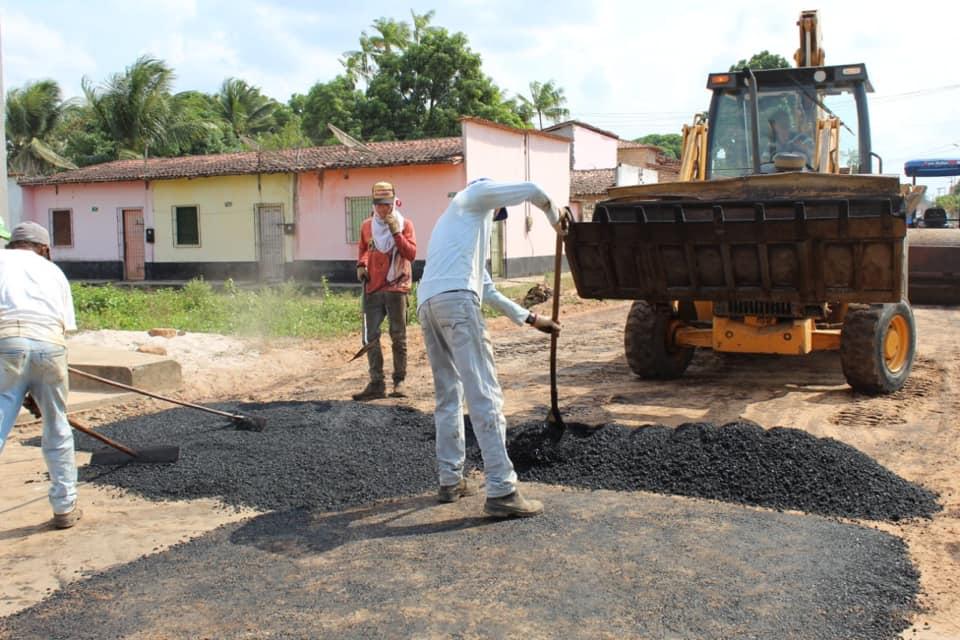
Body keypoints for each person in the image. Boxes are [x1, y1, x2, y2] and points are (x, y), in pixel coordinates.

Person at [417, 178, 564, 519]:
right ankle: (502, 489)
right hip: (455, 303)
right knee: (484, 394)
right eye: (498, 213)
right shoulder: (475, 194)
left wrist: (532, 319)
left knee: (448, 396)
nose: (496, 219)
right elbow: (533, 190)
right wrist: (557, 219)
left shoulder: (457, 232)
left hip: (429, 304)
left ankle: (450, 480)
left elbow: (489, 290)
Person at [0, 221, 81, 529]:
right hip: (51, 347)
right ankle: (64, 508)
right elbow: (61, 329)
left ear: (12, 245)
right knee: (57, 425)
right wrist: (39, 389)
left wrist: (20, 387)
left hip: (6, 344)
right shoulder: (55, 273)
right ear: (45, 249)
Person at [353, 181, 417, 401]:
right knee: (371, 336)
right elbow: (362, 249)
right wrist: (361, 265)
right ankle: (376, 383)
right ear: (373, 204)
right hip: (373, 287)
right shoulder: (366, 226)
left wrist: (396, 233)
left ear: (394, 203)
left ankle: (400, 381)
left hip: (397, 287)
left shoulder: (405, 224)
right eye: (379, 204)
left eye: (387, 204)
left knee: (398, 336)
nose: (383, 209)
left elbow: (410, 254)